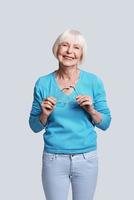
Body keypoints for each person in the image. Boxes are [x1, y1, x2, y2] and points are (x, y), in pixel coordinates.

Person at [29, 29, 111, 200]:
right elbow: (34, 126)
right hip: (54, 159)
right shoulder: (43, 83)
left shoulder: (93, 81)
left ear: (81, 55)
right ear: (56, 49)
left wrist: (91, 110)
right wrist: (44, 114)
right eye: (64, 45)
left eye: (76, 47)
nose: (69, 51)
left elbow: (105, 123)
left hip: (87, 159)